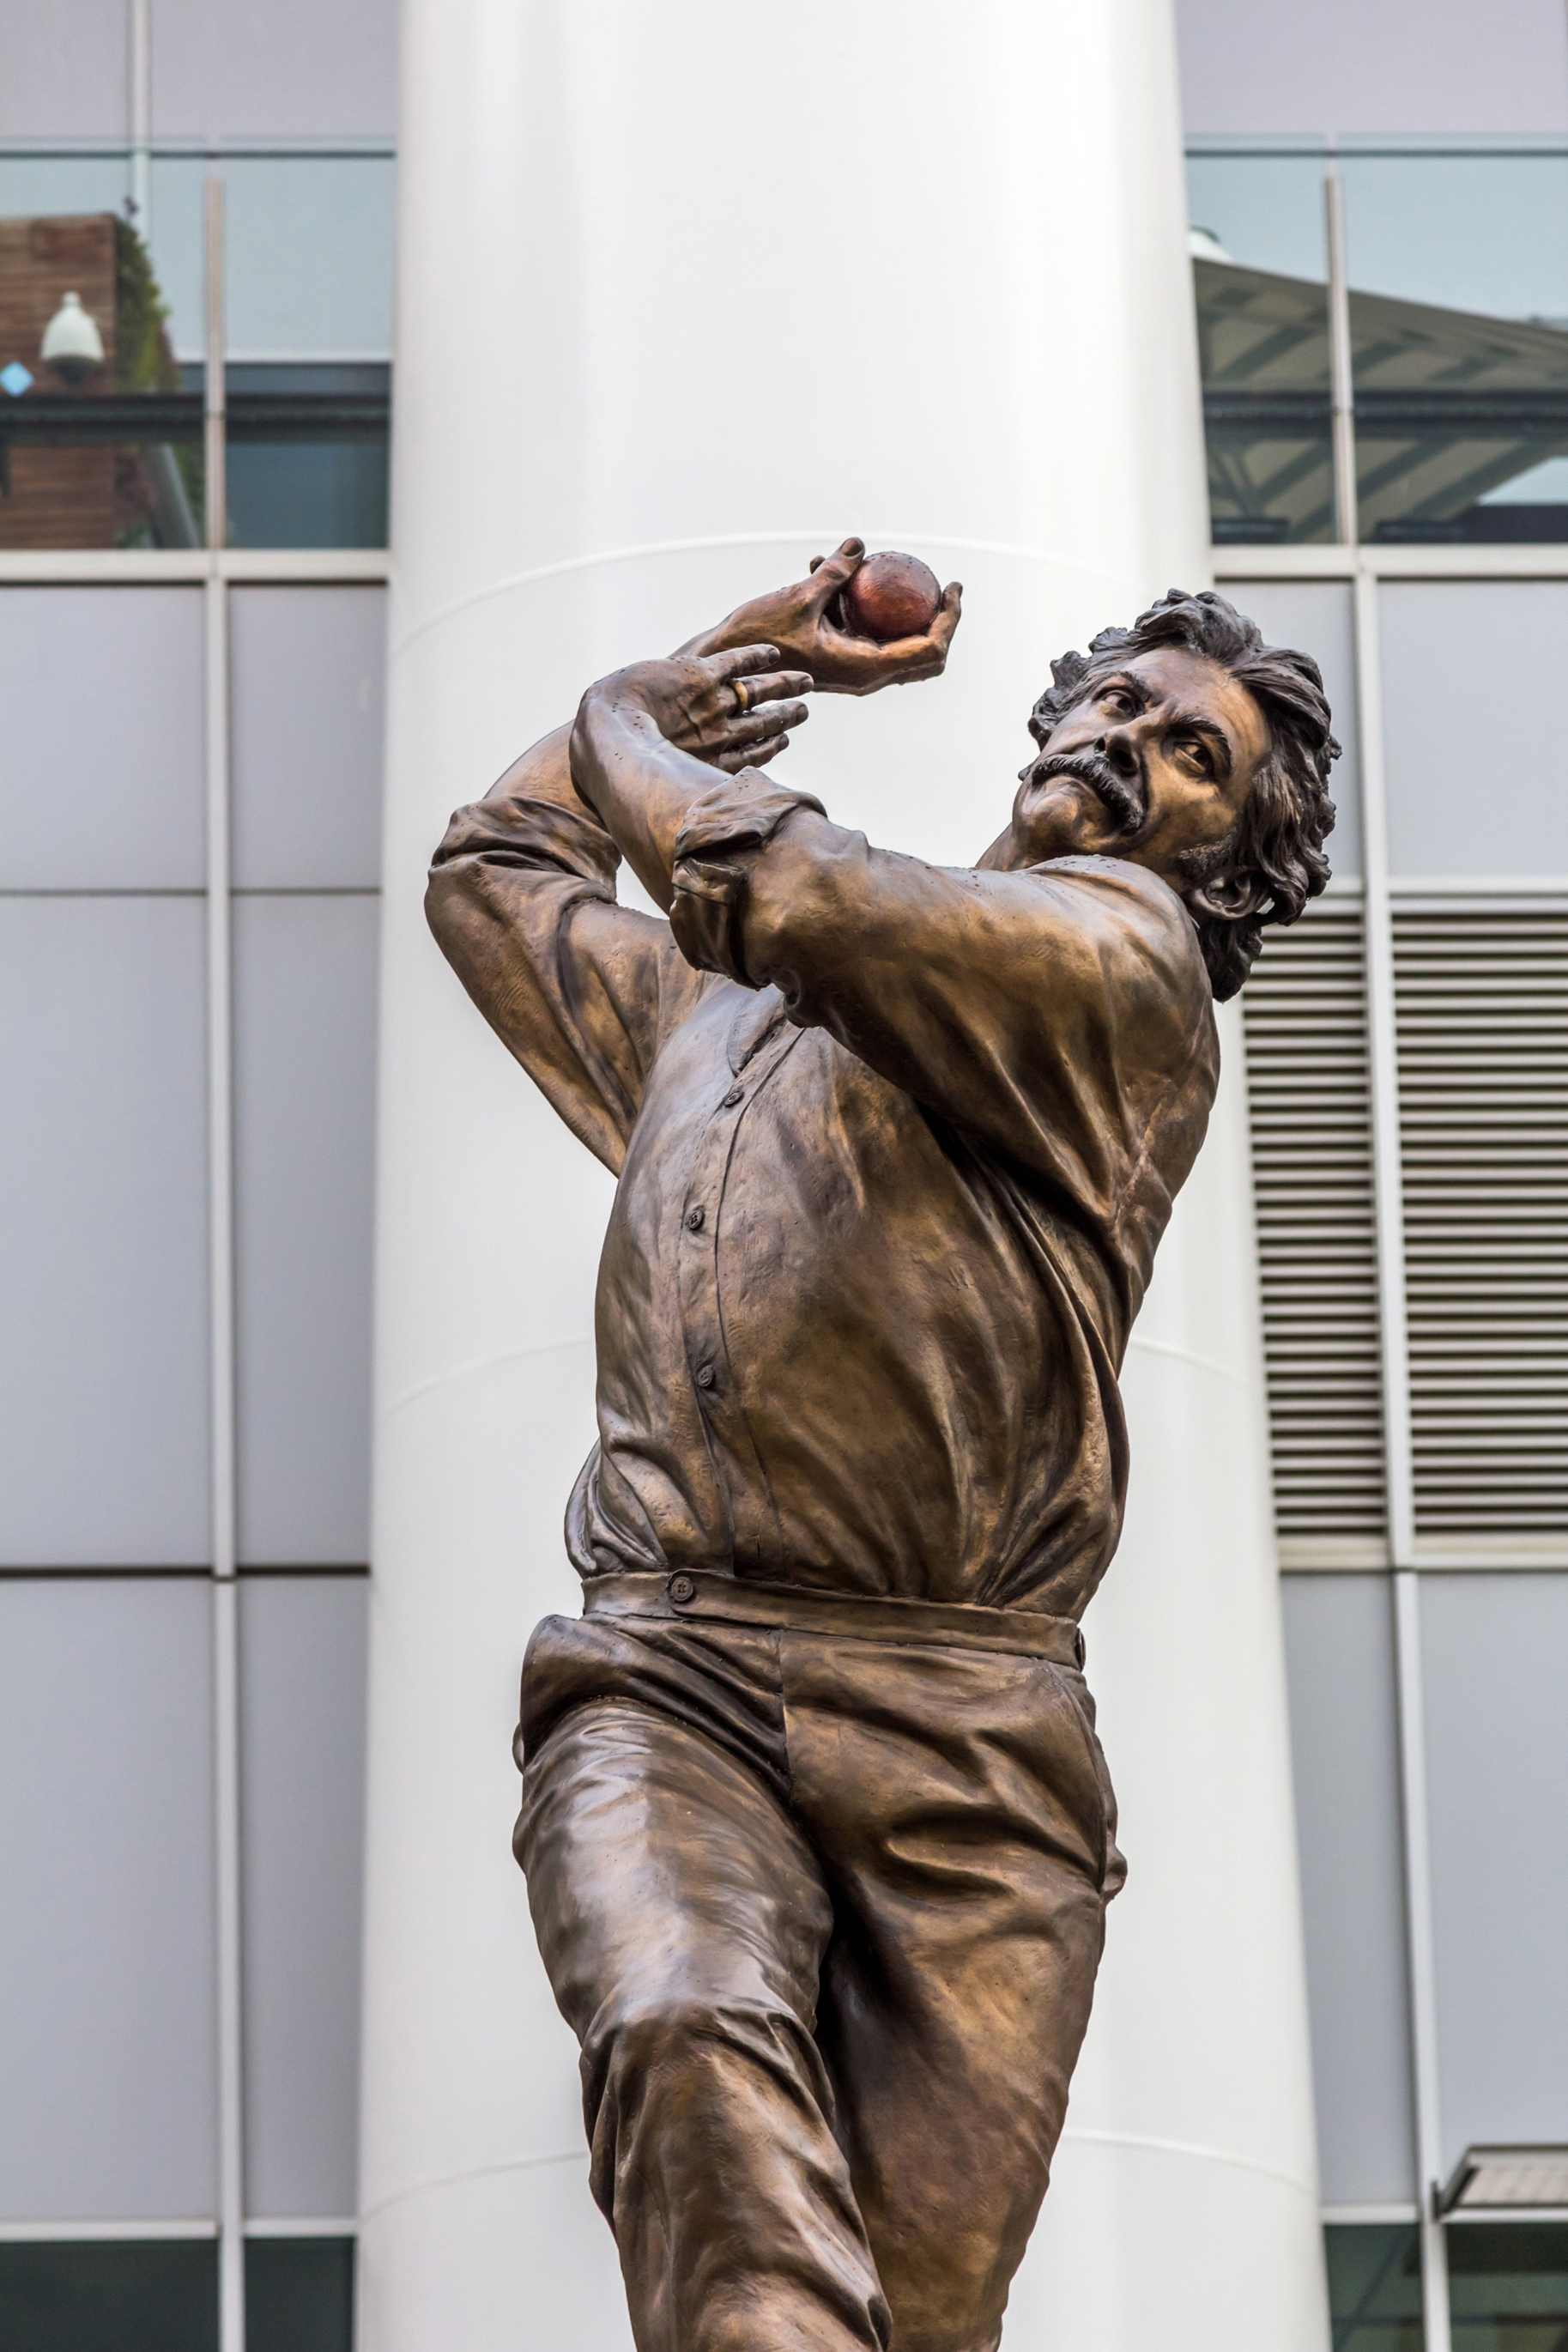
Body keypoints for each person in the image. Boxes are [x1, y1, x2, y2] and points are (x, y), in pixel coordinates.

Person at [426, 540, 1337, 2352]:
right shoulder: (712, 1017)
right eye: (1115, 702)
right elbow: (500, 873)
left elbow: (790, 883)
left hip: (964, 1745)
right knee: (685, 2029)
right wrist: (715, 667)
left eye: (1191, 757)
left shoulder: (1118, 968)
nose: (1129, 741)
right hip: (666, 1662)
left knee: (910, 2318)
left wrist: (630, 719)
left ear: (1214, 860)